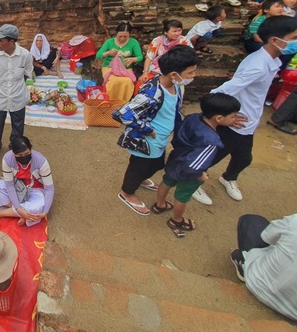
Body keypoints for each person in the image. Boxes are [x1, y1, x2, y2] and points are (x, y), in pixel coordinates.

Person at [208, 16, 297, 202]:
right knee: (213, 156)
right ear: (275, 40)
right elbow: (223, 90)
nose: (295, 42)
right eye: (294, 38)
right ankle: (193, 182)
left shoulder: (270, 59)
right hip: (236, 122)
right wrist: (218, 115)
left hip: (249, 120)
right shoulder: (257, 66)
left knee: (243, 158)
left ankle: (228, 178)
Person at [113, 46, 199, 215]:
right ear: (174, 74)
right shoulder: (152, 93)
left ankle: (143, 178)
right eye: (190, 73)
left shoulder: (174, 86)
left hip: (159, 140)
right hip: (146, 141)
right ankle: (127, 192)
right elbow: (121, 114)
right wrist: (146, 129)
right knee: (137, 168)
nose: (193, 76)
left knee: (157, 164)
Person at [153, 93, 241, 237]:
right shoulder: (211, 140)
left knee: (166, 181)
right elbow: (193, 166)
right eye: (232, 117)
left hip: (175, 159)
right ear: (218, 118)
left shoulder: (193, 117)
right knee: (182, 196)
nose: (234, 119)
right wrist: (200, 175)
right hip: (188, 172)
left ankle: (160, 205)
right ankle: (176, 220)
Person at [229, 213, 297, 321]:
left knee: (252, 222)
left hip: (258, 283)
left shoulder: (295, 220)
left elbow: (267, 237)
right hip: (293, 313)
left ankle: (243, 264)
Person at [0, 136, 55, 227]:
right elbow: (9, 185)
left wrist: (45, 212)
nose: (24, 157)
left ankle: (1, 212)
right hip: (17, 187)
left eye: (27, 153)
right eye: (19, 155)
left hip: (36, 190)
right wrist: (19, 209)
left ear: (31, 149)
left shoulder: (40, 160)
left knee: (39, 207)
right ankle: (20, 212)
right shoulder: (7, 159)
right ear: (13, 153)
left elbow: (49, 188)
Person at [0, 24, 34, 151]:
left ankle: (15, 145)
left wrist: (16, 86)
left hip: (17, 96)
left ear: (11, 41)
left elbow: (26, 74)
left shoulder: (25, 55)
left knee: (18, 125)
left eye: (1, 41)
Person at [95, 22, 143, 101]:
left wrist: (133, 59)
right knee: (113, 81)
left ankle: (123, 102)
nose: (122, 39)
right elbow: (98, 55)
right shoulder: (109, 42)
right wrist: (108, 53)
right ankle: (111, 101)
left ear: (129, 35)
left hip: (126, 69)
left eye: (125, 36)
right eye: (120, 36)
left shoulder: (133, 42)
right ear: (116, 33)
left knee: (128, 82)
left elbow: (140, 57)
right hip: (109, 67)